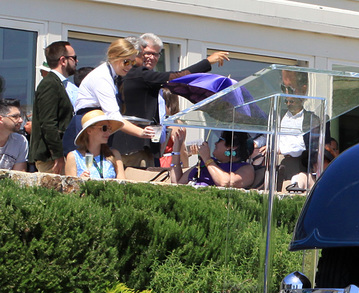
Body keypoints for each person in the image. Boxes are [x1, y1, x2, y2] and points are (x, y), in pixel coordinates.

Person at [115, 35, 229, 169]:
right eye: (146, 53)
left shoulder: (131, 75)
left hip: (144, 147)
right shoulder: (139, 74)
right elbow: (177, 77)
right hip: (134, 148)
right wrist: (207, 62)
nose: (149, 57)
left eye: (155, 54)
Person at [74, 39, 156, 151]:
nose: (129, 67)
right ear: (114, 57)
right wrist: (141, 132)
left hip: (99, 128)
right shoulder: (102, 78)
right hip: (88, 127)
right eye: (126, 62)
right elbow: (113, 115)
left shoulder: (112, 76)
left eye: (132, 63)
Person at [28, 41, 79, 173]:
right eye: (73, 58)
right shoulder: (50, 84)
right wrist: (58, 156)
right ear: (63, 60)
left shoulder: (61, 84)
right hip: (51, 158)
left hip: (62, 154)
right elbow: (48, 123)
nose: (77, 61)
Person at [176, 130, 260, 188]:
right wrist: (176, 150)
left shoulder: (246, 168)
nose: (215, 143)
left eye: (220, 140)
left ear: (232, 147)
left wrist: (207, 159)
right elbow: (178, 183)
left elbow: (225, 182)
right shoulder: (209, 163)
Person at [66, 109, 125, 179]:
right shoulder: (74, 157)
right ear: (89, 131)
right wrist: (79, 182)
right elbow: (69, 187)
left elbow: (122, 185)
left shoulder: (114, 155)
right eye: (104, 128)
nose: (108, 132)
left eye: (109, 128)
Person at [0, 98, 28, 171]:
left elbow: (19, 176)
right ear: (0, 119)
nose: (21, 120)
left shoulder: (20, 141)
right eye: (15, 117)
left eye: (20, 116)